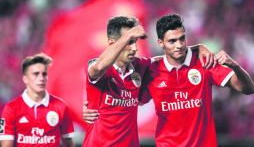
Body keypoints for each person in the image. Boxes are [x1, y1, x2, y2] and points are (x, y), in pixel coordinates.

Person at [83, 14, 254, 147]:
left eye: (182, 39)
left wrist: (202, 49)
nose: (135, 47)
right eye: (129, 42)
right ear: (161, 43)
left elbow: (248, 89)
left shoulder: (147, 67)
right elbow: (98, 68)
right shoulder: (103, 67)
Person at [0, 53, 75, 147]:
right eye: (36, 74)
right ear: (25, 79)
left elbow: (68, 143)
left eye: (44, 74)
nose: (41, 78)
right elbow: (6, 145)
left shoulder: (60, 106)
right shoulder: (11, 108)